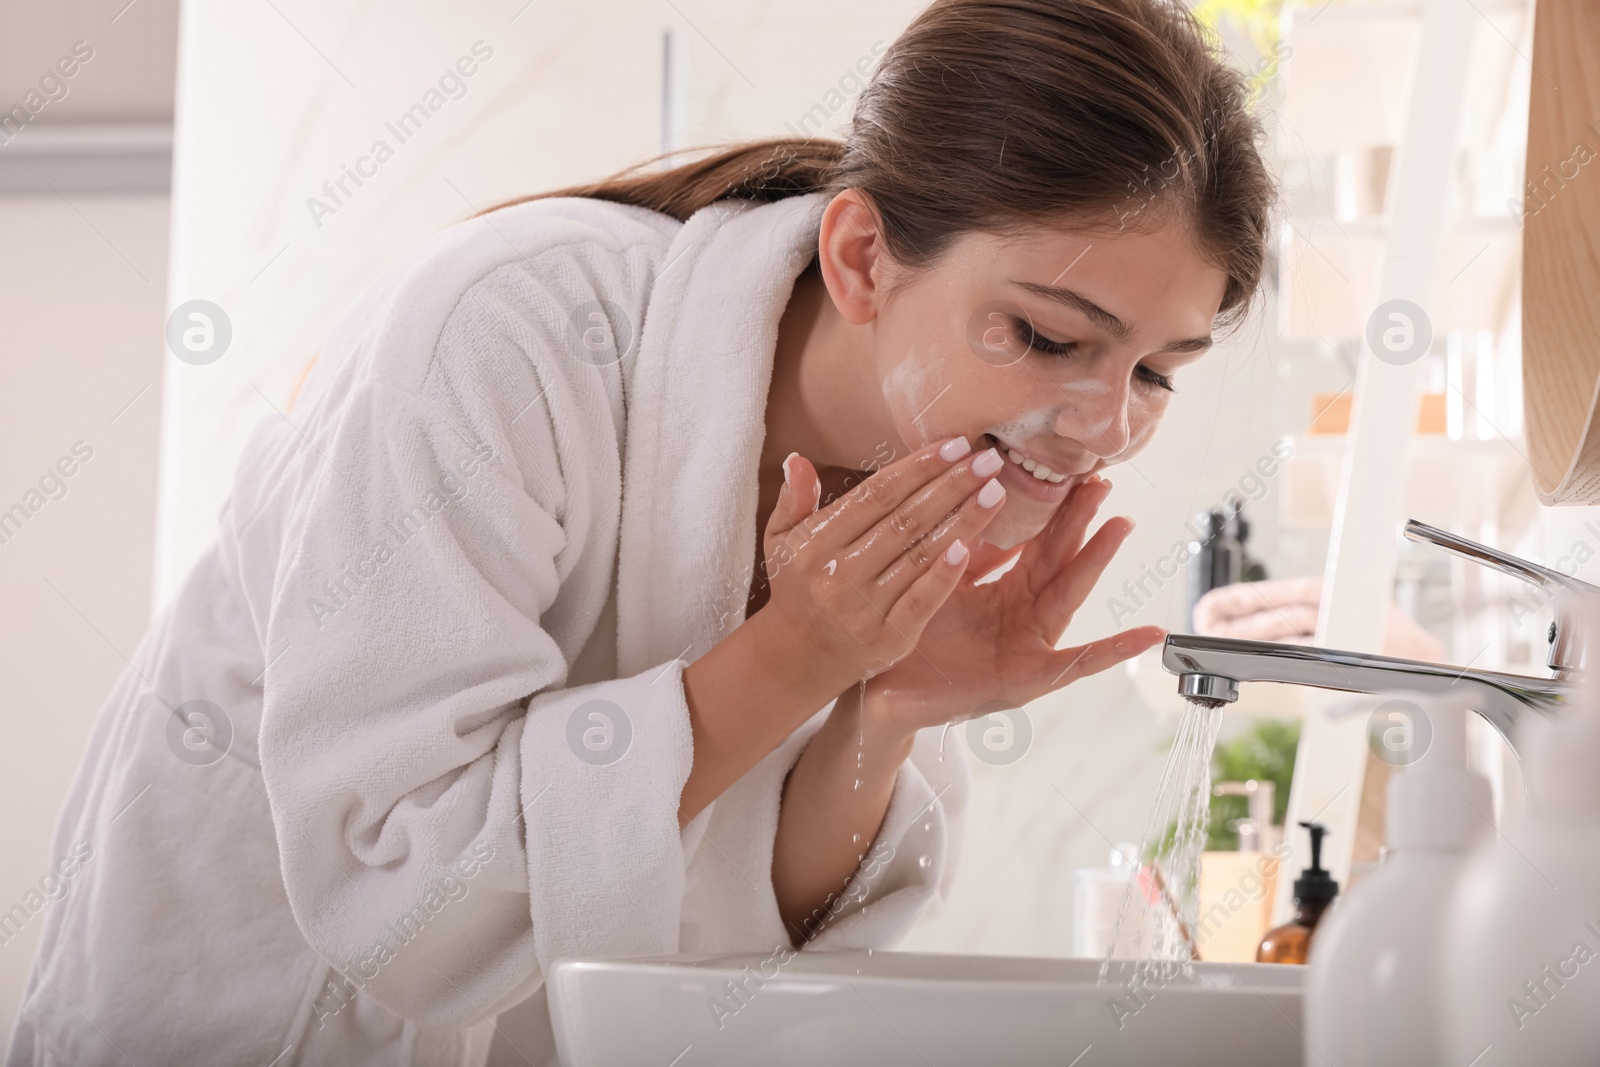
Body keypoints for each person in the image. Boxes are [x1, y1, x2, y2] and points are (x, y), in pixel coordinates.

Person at [6, 0, 1273, 1063]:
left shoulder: (909, 476)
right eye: (1048, 338)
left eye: (1157, 371)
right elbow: (400, 887)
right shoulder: (506, 333)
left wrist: (877, 711)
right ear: (863, 257)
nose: (1101, 426)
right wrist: (793, 658)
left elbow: (735, 945)